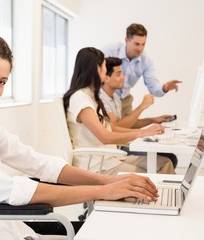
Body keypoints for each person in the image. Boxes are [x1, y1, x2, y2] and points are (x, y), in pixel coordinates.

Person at [0, 32, 160, 240]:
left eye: (1, 81)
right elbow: (9, 190)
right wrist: (103, 191)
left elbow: (38, 163)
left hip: (14, 231)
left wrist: (106, 181)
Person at [62, 47, 175, 175]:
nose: (105, 72)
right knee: (150, 174)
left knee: (165, 163)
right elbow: (105, 137)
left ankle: (170, 195)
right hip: (97, 165)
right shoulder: (80, 99)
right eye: (104, 67)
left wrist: (147, 132)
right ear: (97, 70)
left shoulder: (92, 97)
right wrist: (143, 132)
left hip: (110, 159)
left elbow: (111, 128)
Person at [100, 57, 178, 168]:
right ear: (106, 78)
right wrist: (142, 107)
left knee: (170, 157)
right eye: (118, 74)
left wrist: (153, 120)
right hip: (119, 147)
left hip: (123, 143)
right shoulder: (102, 99)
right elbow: (116, 126)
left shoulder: (115, 96)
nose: (123, 77)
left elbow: (127, 123)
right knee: (169, 158)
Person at [101, 23, 182, 116]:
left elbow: (153, 87)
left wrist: (164, 88)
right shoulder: (109, 51)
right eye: (137, 44)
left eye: (143, 44)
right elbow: (94, 72)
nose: (140, 48)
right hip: (104, 96)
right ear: (126, 40)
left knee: (128, 127)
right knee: (112, 127)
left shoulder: (146, 61)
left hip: (124, 98)